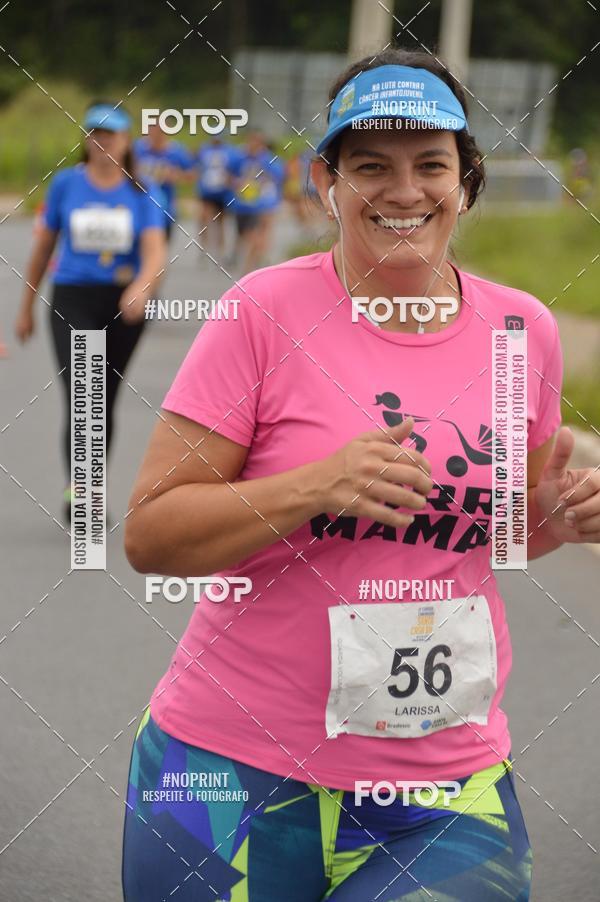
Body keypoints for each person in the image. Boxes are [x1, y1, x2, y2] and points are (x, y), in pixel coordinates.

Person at [121, 49, 600, 901]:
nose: (403, 191)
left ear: (466, 182)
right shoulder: (261, 312)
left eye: (431, 165)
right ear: (326, 183)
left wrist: (552, 524)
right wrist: (315, 486)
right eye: (371, 166)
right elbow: (151, 535)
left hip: (443, 786)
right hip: (231, 768)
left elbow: (498, 534)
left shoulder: (522, 330)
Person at [15, 101, 166, 520]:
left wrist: (141, 286)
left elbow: (155, 252)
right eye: (95, 134)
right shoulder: (66, 184)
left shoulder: (142, 191)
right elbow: (43, 249)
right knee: (85, 395)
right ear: (86, 139)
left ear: (126, 140)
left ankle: (91, 484)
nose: (102, 142)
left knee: (104, 400)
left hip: (123, 305)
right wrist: (26, 307)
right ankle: (81, 490)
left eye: (110, 134)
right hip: (73, 299)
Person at [229, 130, 285, 273]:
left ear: (261, 144)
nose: (252, 144)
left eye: (256, 142)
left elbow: (278, 178)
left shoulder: (268, 160)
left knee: (258, 235)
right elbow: (229, 175)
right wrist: (236, 183)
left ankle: (250, 267)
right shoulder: (240, 157)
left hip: (263, 204)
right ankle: (251, 258)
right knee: (244, 234)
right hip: (242, 204)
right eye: (250, 141)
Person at [134, 122, 194, 240]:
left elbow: (192, 174)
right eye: (153, 130)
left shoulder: (176, 151)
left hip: (165, 206)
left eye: (160, 131)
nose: (155, 134)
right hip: (141, 205)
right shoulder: (138, 148)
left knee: (162, 243)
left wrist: (176, 176)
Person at [195, 136, 239, 259]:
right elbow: (198, 168)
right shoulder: (204, 150)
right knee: (204, 218)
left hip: (222, 192)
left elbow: (233, 170)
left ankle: (220, 250)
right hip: (207, 191)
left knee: (220, 222)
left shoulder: (230, 151)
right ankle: (204, 247)